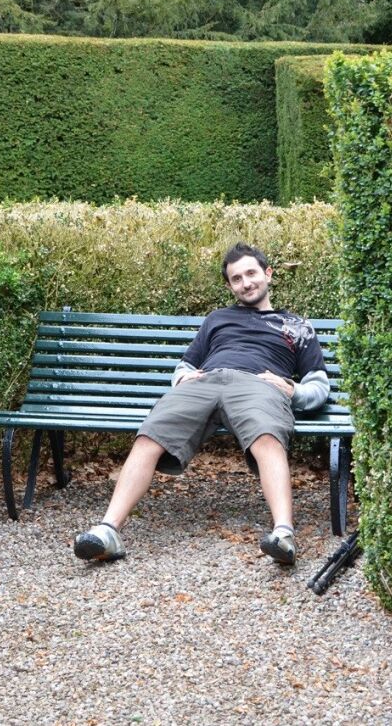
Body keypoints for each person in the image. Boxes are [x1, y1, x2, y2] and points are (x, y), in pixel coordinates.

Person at [73, 242, 330, 566]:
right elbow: (186, 364)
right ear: (230, 286)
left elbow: (319, 384)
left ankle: (283, 534)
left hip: (258, 384)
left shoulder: (295, 325)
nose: (246, 282)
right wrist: (181, 378)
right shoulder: (217, 318)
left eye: (251, 273)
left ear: (268, 274)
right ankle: (108, 531)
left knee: (267, 437)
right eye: (236, 278)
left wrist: (292, 389)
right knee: (149, 435)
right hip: (206, 381)